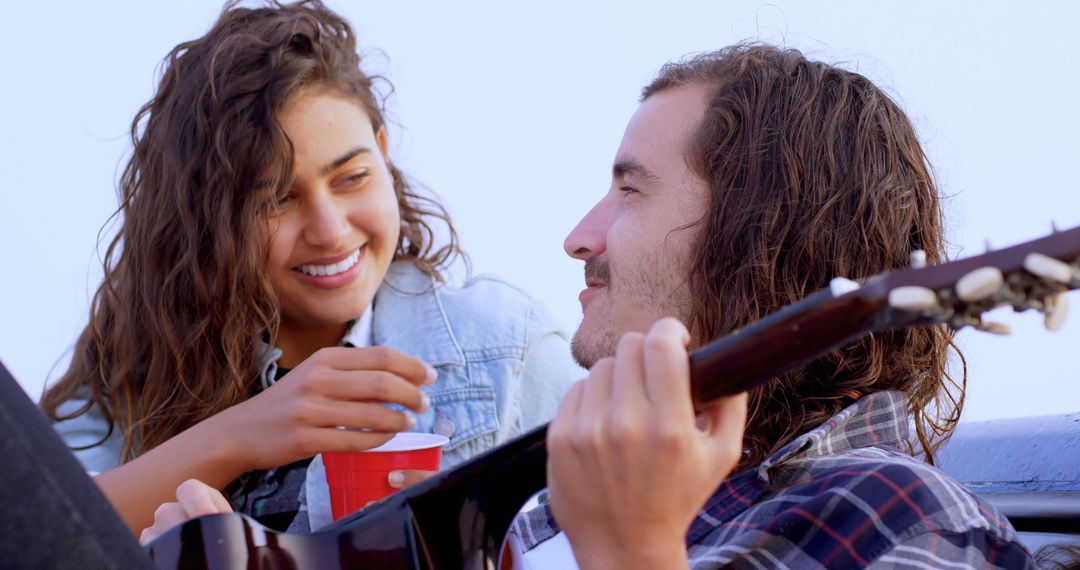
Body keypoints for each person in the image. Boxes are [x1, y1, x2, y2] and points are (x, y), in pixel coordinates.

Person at [40, 0, 578, 538]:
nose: (329, 230)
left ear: (384, 153)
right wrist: (236, 436)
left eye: (352, 177)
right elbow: (35, 532)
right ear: (208, 220)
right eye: (275, 200)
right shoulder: (132, 366)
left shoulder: (506, 349)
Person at [512, 45, 1035, 568]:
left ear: (763, 234)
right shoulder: (560, 502)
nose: (578, 239)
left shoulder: (907, 526)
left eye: (631, 190)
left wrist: (630, 551)